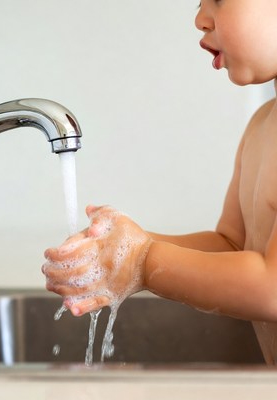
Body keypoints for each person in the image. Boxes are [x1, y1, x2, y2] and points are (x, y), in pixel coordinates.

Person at [42, 0, 277, 365]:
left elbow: (271, 289)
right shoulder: (262, 125)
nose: (200, 19)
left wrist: (143, 262)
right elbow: (231, 247)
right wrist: (127, 248)